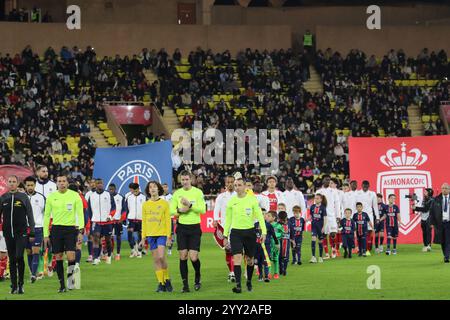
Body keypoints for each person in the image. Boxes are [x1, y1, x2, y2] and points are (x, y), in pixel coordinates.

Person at [223, 178, 266, 294]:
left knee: (250, 260)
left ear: (245, 187)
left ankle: (249, 282)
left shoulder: (252, 200)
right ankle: (238, 286)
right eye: (235, 185)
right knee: (237, 258)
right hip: (236, 233)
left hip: (249, 233)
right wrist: (225, 235)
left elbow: (260, 216)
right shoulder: (232, 201)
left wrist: (264, 232)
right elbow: (228, 220)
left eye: (239, 185)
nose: (237, 187)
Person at [44, 174, 84, 293]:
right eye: (59, 181)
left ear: (67, 183)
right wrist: (46, 234)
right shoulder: (51, 197)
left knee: (71, 256)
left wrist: (81, 231)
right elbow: (46, 216)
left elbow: (80, 214)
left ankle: (70, 280)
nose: (61, 183)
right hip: (56, 229)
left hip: (70, 229)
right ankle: (62, 285)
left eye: (63, 181)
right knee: (59, 257)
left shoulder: (75, 195)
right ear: (56, 183)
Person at [170, 171, 206, 293]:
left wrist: (190, 206)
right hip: (182, 228)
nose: (185, 181)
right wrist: (181, 210)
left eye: (187, 179)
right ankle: (185, 285)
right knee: (183, 255)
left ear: (191, 179)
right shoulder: (177, 194)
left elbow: (203, 210)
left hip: (195, 227)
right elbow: (171, 211)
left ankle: (197, 276)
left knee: (193, 257)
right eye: (183, 179)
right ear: (180, 180)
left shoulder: (197, 192)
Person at [0, 175, 35, 294]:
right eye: (9, 182)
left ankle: (21, 284)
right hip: (8, 233)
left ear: (17, 183)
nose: (11, 184)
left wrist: (32, 231)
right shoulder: (3, 198)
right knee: (12, 259)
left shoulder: (23, 197)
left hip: (21, 233)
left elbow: (30, 215)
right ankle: (14, 286)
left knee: (19, 256)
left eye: (14, 182)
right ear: (7, 184)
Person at [140, 181, 173, 293]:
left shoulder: (164, 203)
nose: (152, 189)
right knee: (156, 259)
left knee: (161, 257)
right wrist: (143, 237)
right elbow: (144, 222)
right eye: (150, 187)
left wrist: (169, 236)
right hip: (150, 235)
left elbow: (168, 221)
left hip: (162, 234)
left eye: (154, 187)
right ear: (148, 191)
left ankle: (167, 279)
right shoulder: (145, 204)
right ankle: (161, 283)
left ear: (158, 189)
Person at [86, 178, 116, 265]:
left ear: (103, 184)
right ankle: (96, 258)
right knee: (96, 239)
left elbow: (113, 207)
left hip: (107, 222)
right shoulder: (91, 196)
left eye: (101, 183)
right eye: (98, 183)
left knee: (108, 240)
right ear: (95, 184)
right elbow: (89, 210)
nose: (99, 185)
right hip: (96, 222)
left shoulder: (108, 194)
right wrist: (91, 220)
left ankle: (109, 255)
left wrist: (110, 216)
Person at [213, 175, 236, 282]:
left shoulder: (239, 195)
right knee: (228, 250)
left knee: (237, 250)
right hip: (225, 227)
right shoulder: (221, 197)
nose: (230, 184)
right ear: (225, 184)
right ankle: (232, 272)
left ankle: (237, 271)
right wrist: (215, 220)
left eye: (232, 182)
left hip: (237, 226)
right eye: (228, 182)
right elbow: (216, 209)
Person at [35, 165, 57, 276]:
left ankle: (49, 264)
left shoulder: (53, 185)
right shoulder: (34, 185)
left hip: (51, 219)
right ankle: (40, 269)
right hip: (38, 220)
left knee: (50, 244)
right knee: (40, 246)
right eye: (43, 171)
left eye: (47, 171)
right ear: (38, 172)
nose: (45, 173)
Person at [24, 176, 45, 283]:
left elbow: (45, 213)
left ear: (35, 185)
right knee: (28, 252)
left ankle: (33, 274)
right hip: (24, 228)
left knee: (35, 251)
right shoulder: (21, 197)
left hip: (37, 228)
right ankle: (32, 272)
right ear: (25, 186)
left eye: (32, 185)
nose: (30, 187)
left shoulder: (41, 197)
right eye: (28, 185)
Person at [316, 175, 341, 259]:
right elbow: (315, 203)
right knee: (323, 234)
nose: (327, 181)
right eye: (326, 180)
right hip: (322, 216)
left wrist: (338, 216)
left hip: (332, 216)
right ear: (323, 181)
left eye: (329, 180)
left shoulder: (334, 191)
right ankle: (326, 253)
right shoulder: (319, 192)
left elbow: (337, 204)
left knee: (333, 234)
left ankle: (333, 250)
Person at [355, 180, 379, 255]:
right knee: (359, 232)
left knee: (369, 232)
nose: (365, 187)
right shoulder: (357, 193)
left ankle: (367, 249)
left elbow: (375, 206)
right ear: (361, 186)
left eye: (366, 186)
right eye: (364, 186)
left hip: (369, 215)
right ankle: (360, 248)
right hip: (359, 215)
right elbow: (354, 205)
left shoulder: (372, 194)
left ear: (369, 186)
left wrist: (377, 217)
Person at [124, 183, 146, 258]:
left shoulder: (143, 197)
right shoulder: (129, 197)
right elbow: (126, 209)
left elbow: (146, 209)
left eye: (132, 189)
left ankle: (139, 251)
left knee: (140, 237)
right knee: (129, 236)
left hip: (141, 220)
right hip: (131, 220)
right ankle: (133, 250)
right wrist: (125, 218)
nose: (131, 191)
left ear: (137, 189)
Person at [429, 183, 450, 263]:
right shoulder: (436, 199)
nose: (444, 189)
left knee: (448, 240)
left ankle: (447, 256)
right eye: (443, 188)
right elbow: (432, 212)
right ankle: (446, 255)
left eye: (446, 188)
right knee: (442, 241)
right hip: (439, 223)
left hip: (448, 223)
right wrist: (431, 223)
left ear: (449, 189)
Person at [254, 215, 277, 282]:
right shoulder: (255, 225)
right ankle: (260, 275)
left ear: (266, 217)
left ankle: (266, 276)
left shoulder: (268, 225)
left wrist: (276, 243)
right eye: (261, 214)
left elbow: (273, 234)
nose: (263, 216)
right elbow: (252, 235)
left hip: (266, 246)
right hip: (257, 247)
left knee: (266, 261)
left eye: (264, 215)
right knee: (259, 262)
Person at [108, 183, 125, 260]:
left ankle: (118, 254)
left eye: (112, 189)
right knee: (109, 238)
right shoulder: (107, 197)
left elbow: (124, 210)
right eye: (110, 189)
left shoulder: (120, 197)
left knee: (118, 237)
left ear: (115, 189)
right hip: (110, 221)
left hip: (118, 221)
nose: (111, 191)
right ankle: (110, 253)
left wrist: (122, 219)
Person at [309, 193, 327, 263]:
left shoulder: (323, 208)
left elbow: (325, 218)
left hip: (320, 226)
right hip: (314, 226)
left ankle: (320, 257)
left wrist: (324, 227)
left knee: (320, 241)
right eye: (315, 198)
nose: (316, 199)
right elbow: (311, 216)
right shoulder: (312, 206)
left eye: (317, 198)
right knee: (313, 239)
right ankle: (313, 257)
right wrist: (307, 219)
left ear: (321, 199)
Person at [268, 211, 282, 279]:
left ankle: (276, 273)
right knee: (268, 259)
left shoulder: (278, 225)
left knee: (276, 258)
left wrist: (275, 236)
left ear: (274, 218)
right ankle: (268, 273)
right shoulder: (266, 225)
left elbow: (282, 233)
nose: (267, 217)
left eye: (269, 216)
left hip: (276, 244)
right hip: (268, 244)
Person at [277, 211, 291, 276]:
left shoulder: (289, 224)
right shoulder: (278, 224)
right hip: (280, 243)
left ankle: (285, 269)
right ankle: (280, 268)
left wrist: (293, 240)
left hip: (287, 243)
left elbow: (292, 232)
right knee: (280, 256)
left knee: (286, 257)